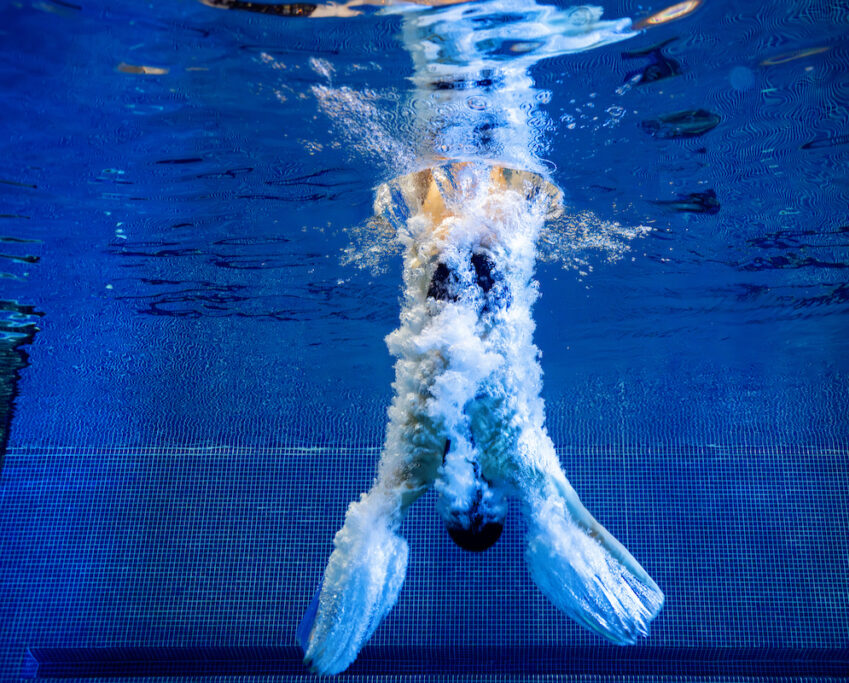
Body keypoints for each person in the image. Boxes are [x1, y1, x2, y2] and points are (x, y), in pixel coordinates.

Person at [198, 0, 703, 673]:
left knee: (484, 136)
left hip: (486, 261)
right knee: (455, 136)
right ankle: (452, 33)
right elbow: (380, 534)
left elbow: (569, 520)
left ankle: (476, 34)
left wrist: (628, 597)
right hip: (447, 266)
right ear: (465, 506)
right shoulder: (428, 466)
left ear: (491, 508)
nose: (467, 497)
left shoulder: (509, 462)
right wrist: (327, 650)